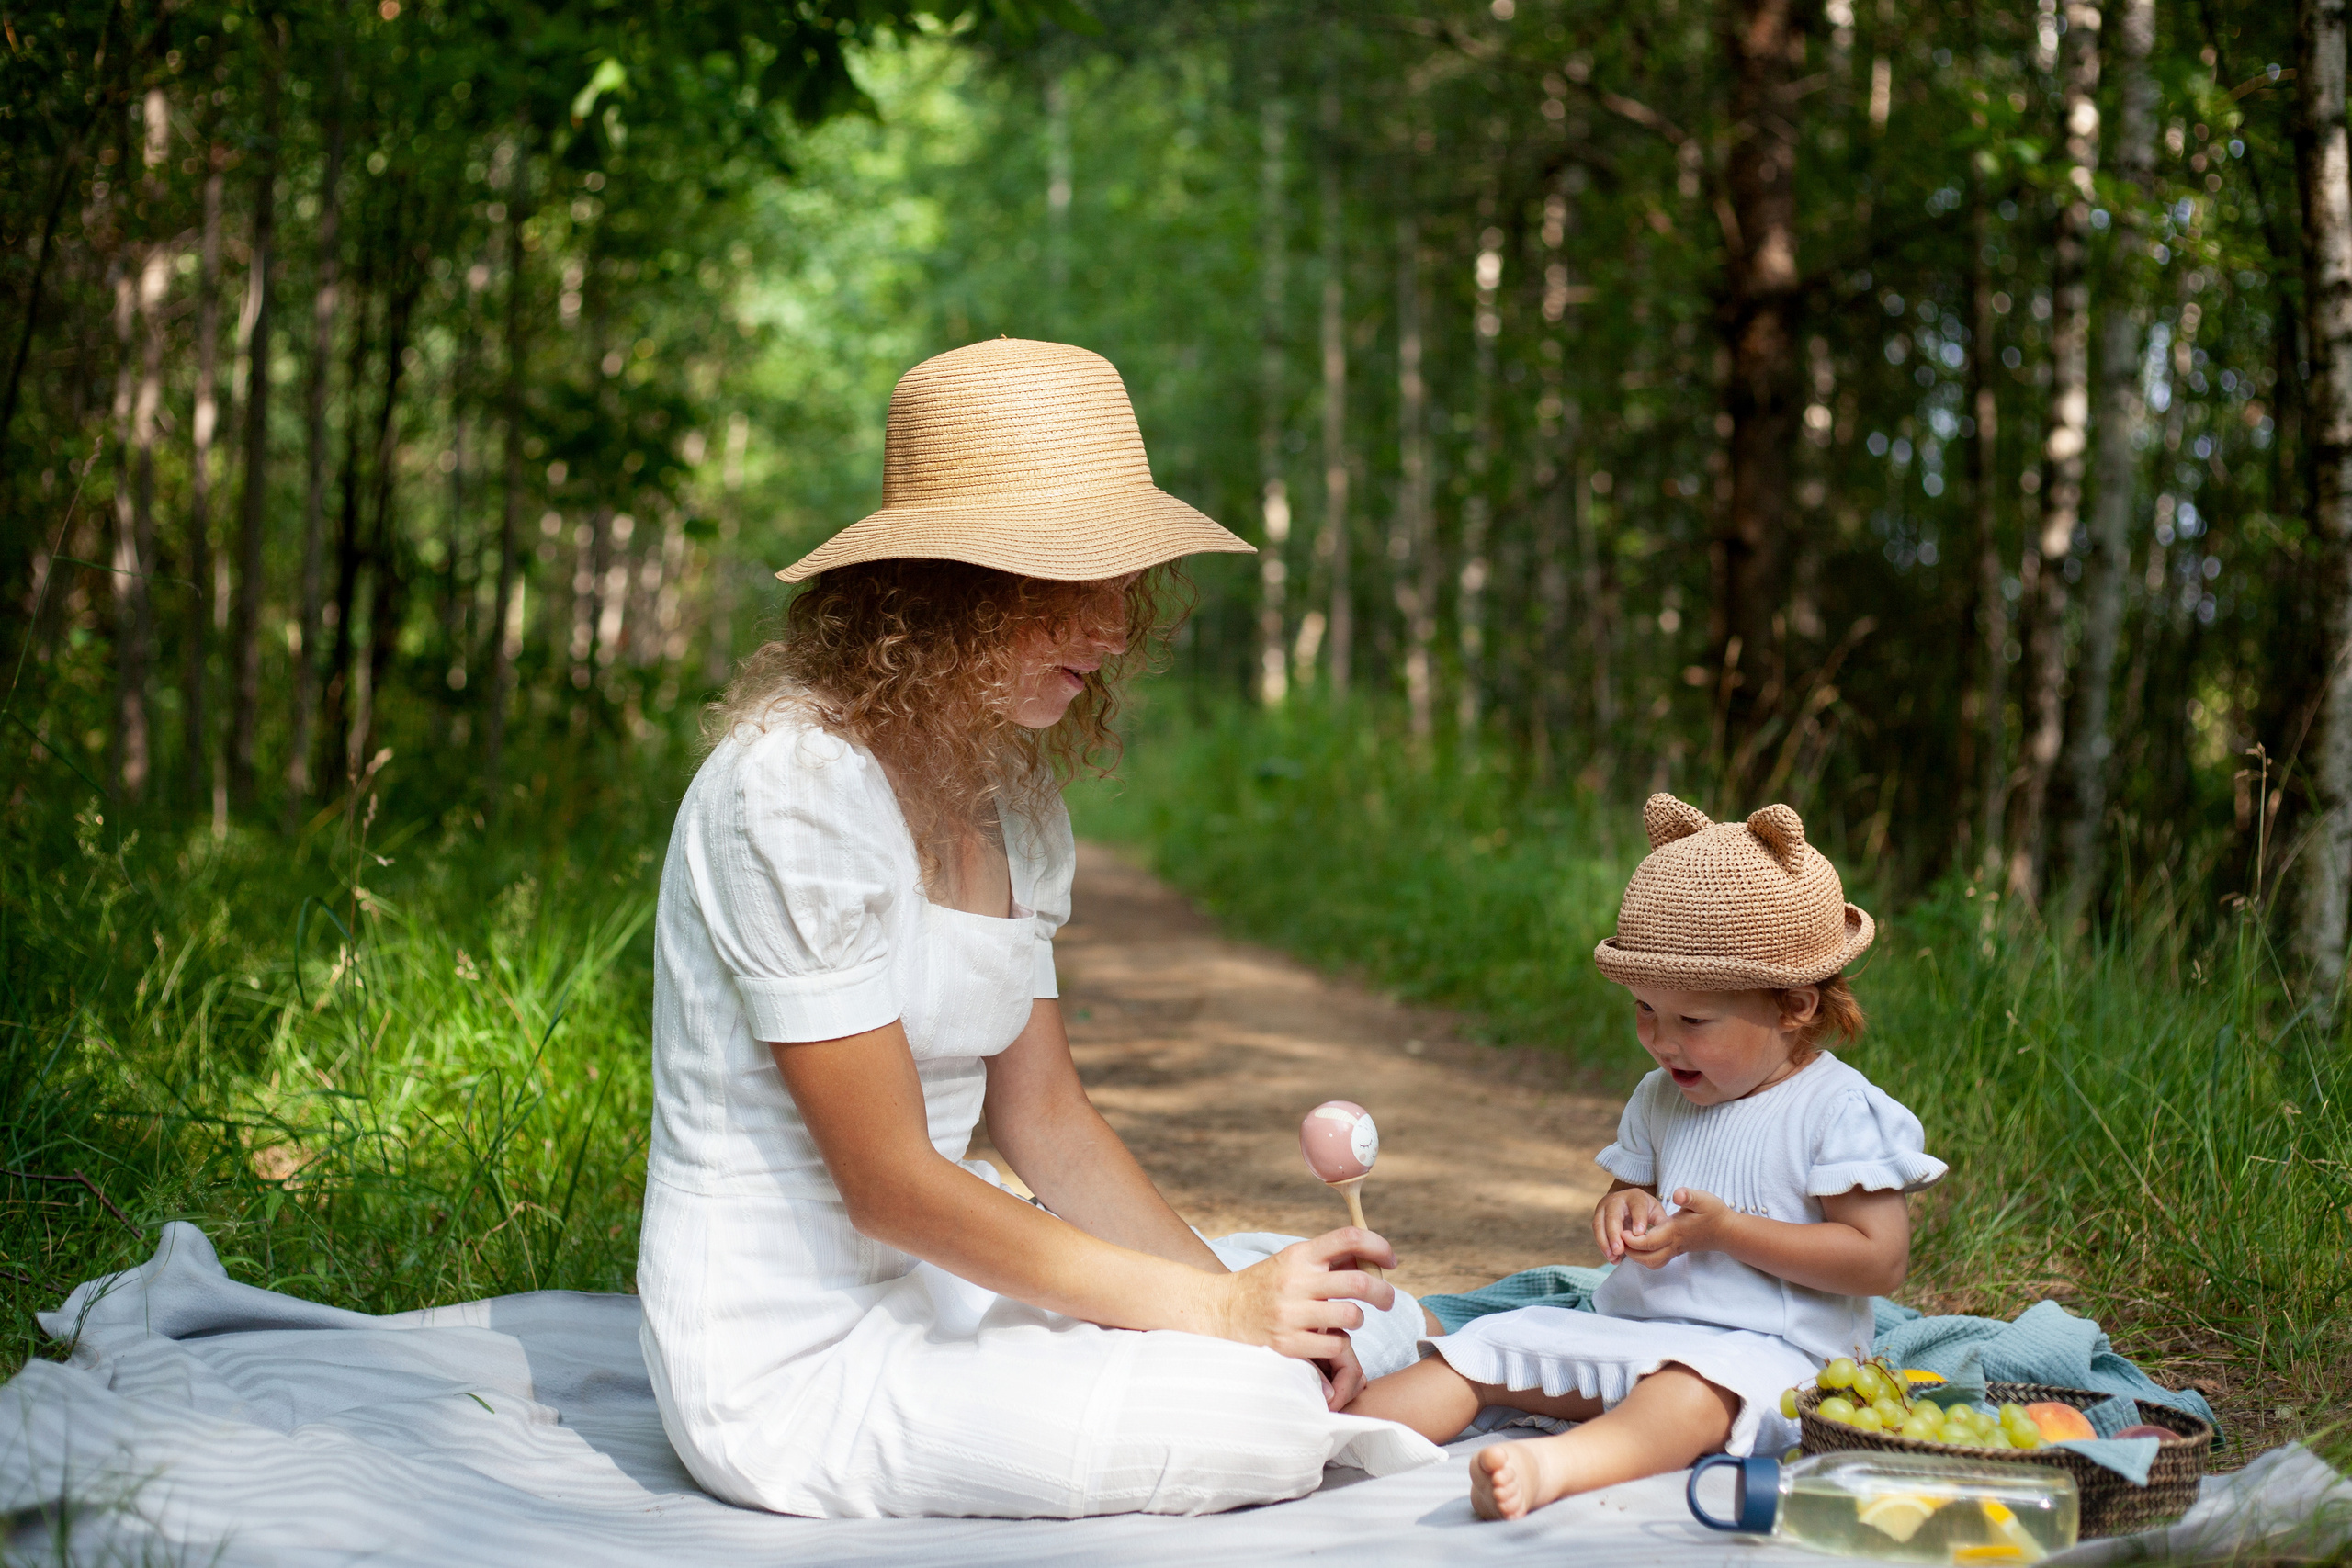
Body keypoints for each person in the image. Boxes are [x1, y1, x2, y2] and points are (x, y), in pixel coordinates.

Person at [636, 337, 1438, 1521]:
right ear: (940, 590)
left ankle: (1303, 1364)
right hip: (792, 1353)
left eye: (1120, 587)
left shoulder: (1009, 798)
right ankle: (1306, 1392)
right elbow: (891, 1189)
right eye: (1067, 588)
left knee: (1367, 1318)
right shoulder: (793, 790)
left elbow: (1043, 1121)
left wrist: (1240, 1306)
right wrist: (1221, 1320)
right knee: (1256, 1412)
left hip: (950, 1285)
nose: (1111, 631)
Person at [1345, 793, 1947, 1519]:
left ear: (1795, 1006)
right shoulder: (1660, 1095)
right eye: (1644, 1010)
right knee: (1489, 1346)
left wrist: (1728, 1231)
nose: (1663, 1041)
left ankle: (1556, 1465)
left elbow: (1878, 1259)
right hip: (1630, 1330)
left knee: (1691, 1394)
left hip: (1766, 1355)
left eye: (1693, 1020)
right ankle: (1328, 1429)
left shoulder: (1837, 1112)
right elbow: (1628, 1186)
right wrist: (1621, 1204)